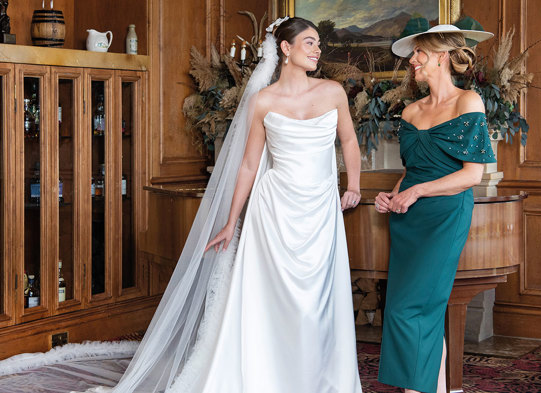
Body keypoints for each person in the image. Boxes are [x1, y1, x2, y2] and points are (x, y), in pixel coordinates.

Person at [68, 16, 362, 393]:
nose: (317, 49)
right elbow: (249, 165)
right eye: (309, 42)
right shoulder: (263, 101)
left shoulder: (333, 92)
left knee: (318, 301)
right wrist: (230, 222)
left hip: (321, 211)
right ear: (285, 49)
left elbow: (350, 142)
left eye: (318, 43)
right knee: (271, 300)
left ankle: (321, 381)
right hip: (272, 212)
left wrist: (353, 184)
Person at [375, 25, 495, 393]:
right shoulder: (411, 111)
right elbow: (412, 172)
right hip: (409, 218)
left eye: (419, 54)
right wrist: (393, 195)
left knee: (410, 311)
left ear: (442, 57)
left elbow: (471, 175)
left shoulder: (468, 101)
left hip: (445, 215)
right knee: (413, 313)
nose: (412, 61)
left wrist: (417, 192)